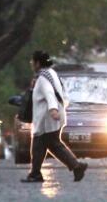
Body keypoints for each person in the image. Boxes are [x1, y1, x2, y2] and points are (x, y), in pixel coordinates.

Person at [24, 50, 87, 184]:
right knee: (52, 145)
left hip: (47, 119)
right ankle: (76, 166)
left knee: (40, 145)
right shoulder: (51, 73)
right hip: (51, 117)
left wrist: (53, 109)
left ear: (37, 63)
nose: (31, 63)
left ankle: (36, 174)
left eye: (32, 61)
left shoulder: (43, 78)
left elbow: (49, 93)